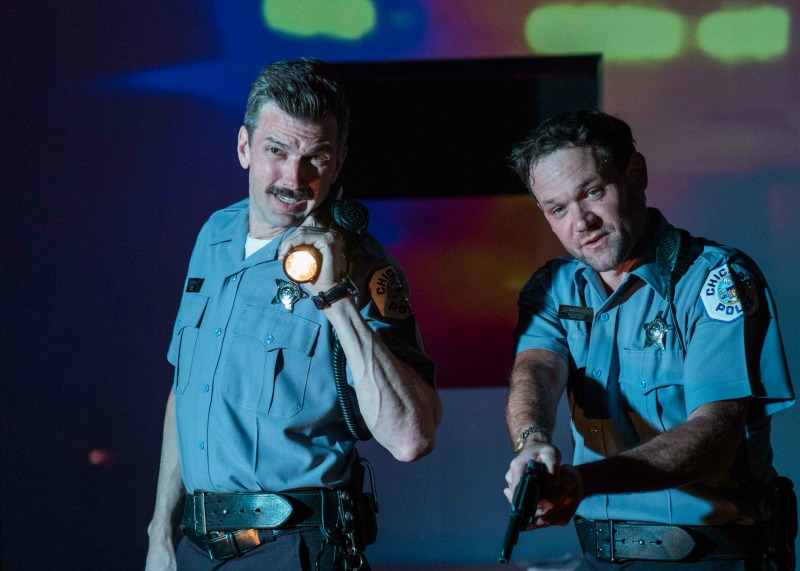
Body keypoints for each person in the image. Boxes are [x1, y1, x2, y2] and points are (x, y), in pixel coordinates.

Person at [145, 58, 441, 571]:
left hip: (295, 549)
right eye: (276, 151)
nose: (294, 177)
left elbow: (411, 438)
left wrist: (336, 297)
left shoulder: (362, 263)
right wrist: (159, 534)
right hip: (195, 547)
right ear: (244, 147)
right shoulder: (214, 235)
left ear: (339, 161)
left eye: (316, 158)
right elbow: (186, 392)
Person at [503, 110, 795, 570]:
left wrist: (583, 482)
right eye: (557, 208)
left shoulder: (717, 281)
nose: (582, 222)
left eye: (593, 192)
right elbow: (535, 368)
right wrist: (533, 441)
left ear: (635, 174)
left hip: (707, 559)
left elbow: (714, 435)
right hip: (597, 556)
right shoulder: (554, 288)